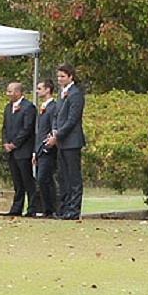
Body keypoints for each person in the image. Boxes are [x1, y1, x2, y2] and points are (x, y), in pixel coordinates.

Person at [51, 65, 85, 220]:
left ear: (71, 77)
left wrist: (58, 134)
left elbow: (72, 119)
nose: (59, 79)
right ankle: (64, 208)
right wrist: (54, 129)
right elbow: (56, 115)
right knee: (63, 176)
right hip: (61, 142)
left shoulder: (75, 94)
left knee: (73, 177)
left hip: (72, 141)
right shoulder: (60, 94)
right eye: (58, 76)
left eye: (62, 76)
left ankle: (74, 209)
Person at [1, 81, 39, 218]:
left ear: (18, 92)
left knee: (27, 180)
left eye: (10, 92)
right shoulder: (7, 108)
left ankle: (32, 208)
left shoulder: (28, 107)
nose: (8, 94)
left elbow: (27, 129)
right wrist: (5, 142)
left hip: (23, 150)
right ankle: (16, 207)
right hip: (11, 152)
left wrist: (14, 144)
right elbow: (4, 127)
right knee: (17, 182)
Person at [32, 81, 59, 218]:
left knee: (45, 178)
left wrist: (49, 142)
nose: (37, 91)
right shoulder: (42, 108)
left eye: (39, 89)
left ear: (48, 90)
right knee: (42, 179)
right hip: (40, 149)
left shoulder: (53, 107)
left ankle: (52, 209)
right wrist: (35, 152)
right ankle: (47, 209)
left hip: (47, 149)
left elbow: (52, 127)